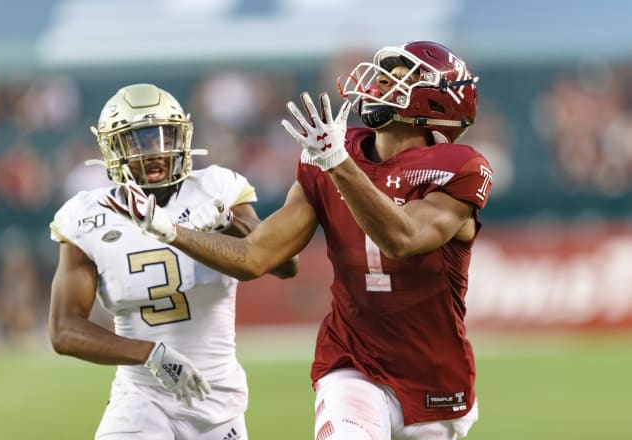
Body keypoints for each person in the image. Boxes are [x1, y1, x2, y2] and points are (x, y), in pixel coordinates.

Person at [104, 41, 493, 440]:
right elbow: (256, 257)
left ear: (436, 101)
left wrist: (337, 163)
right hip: (352, 363)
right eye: (385, 73)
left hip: (436, 381)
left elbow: (403, 239)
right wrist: (169, 229)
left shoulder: (458, 167)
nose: (380, 82)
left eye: (401, 76)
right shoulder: (330, 156)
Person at [48, 83, 298, 439]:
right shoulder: (88, 216)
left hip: (219, 402)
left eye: (163, 136)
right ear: (112, 149)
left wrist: (229, 222)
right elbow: (64, 330)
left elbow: (286, 265)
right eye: (138, 140)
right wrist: (151, 354)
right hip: (141, 398)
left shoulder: (216, 189)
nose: (154, 151)